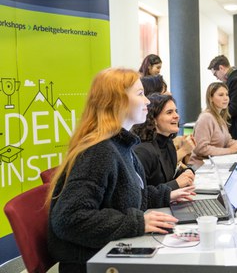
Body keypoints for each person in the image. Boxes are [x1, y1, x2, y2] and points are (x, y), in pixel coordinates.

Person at [47, 68, 195, 273]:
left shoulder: (121, 145)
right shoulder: (99, 151)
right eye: (140, 94)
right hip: (92, 263)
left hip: (107, 252)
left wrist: (166, 194)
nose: (148, 102)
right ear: (117, 101)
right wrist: (137, 222)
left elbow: (129, 196)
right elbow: (69, 218)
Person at [131, 93, 196, 189]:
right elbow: (140, 194)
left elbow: (168, 178)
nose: (177, 116)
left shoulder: (168, 144)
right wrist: (177, 183)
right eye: (169, 112)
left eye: (176, 111)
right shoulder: (143, 151)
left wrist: (187, 172)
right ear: (153, 120)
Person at [189, 82, 237, 166]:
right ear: (211, 98)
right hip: (201, 167)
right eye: (221, 95)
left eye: (227, 94)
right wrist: (230, 150)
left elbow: (229, 142)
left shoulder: (219, 118)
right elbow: (200, 149)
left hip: (214, 165)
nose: (226, 98)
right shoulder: (206, 118)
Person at [208, 55, 237, 140]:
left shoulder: (236, 81)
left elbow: (234, 108)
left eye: (215, 74)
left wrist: (216, 116)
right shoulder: (234, 80)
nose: (217, 78)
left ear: (221, 68)